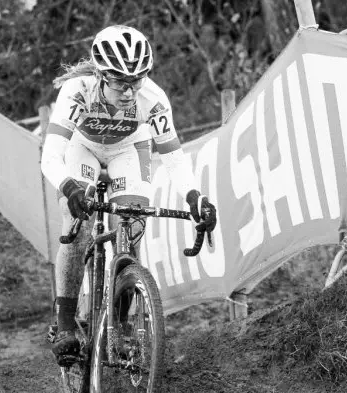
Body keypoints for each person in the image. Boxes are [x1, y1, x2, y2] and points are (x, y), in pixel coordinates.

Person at [40, 25, 218, 365]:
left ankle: (118, 327)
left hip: (128, 150)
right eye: (121, 83)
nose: (130, 92)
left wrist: (195, 197)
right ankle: (64, 321)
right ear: (102, 76)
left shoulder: (153, 99)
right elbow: (50, 157)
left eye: (137, 81)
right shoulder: (77, 92)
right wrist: (70, 188)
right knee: (77, 221)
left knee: (132, 225)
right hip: (83, 149)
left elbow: (173, 159)